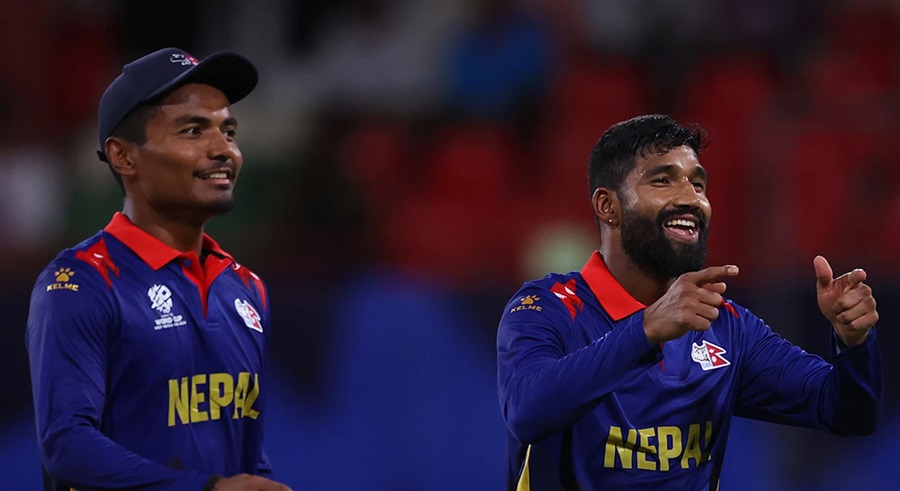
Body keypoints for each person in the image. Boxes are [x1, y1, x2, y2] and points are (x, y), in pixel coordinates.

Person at [496, 114, 882, 490]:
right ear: (608, 206)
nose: (691, 198)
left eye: (697, 184)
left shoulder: (726, 326)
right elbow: (526, 412)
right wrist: (645, 330)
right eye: (662, 180)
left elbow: (846, 413)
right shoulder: (547, 308)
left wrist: (854, 343)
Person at [26, 47, 292, 491]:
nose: (223, 150)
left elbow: (245, 453)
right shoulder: (81, 283)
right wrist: (205, 489)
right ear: (123, 157)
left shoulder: (246, 288)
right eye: (193, 130)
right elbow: (66, 445)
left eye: (228, 131)